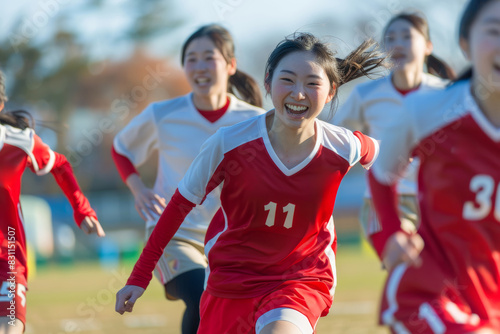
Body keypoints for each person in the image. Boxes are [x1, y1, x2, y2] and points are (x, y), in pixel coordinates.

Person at [115, 32, 388, 334]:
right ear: (268, 83)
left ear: (331, 91)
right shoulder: (228, 144)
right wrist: (138, 278)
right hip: (231, 280)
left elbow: (401, 157)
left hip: (300, 278)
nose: (299, 94)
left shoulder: (343, 146)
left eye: (312, 83)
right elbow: (178, 207)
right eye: (288, 80)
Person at [111, 24, 265, 334]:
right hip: (172, 234)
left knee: (227, 308)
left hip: (228, 238)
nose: (199, 66)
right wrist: (139, 189)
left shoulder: (254, 120)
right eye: (191, 59)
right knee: (201, 297)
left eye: (209, 57)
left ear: (231, 65)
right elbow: (121, 149)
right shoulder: (163, 114)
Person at [368, 0, 500, 332]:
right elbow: (383, 174)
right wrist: (390, 234)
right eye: (495, 31)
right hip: (432, 291)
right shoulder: (427, 111)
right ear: (465, 44)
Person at [332, 12, 455, 243]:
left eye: (407, 37)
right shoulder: (365, 94)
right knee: (403, 266)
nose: (397, 44)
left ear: (428, 46)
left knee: (439, 275)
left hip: (438, 199)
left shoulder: (447, 93)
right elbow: (337, 139)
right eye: (390, 38)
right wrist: (369, 153)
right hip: (384, 199)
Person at [0, 70, 105, 334]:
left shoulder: (19, 141)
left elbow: (60, 164)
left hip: (8, 257)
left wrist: (82, 209)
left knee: (8, 327)